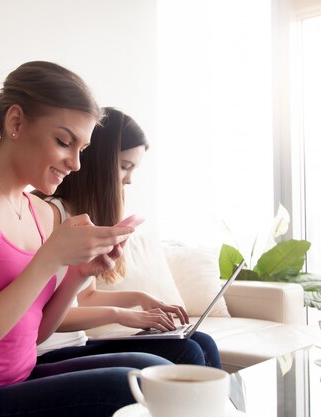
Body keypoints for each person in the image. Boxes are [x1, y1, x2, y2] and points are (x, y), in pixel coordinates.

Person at [0, 62, 171, 417]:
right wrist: (49, 258)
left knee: (152, 370)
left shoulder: (39, 212)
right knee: (124, 386)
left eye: (82, 148)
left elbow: (35, 335)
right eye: (64, 142)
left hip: (19, 380)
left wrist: (79, 275)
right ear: (16, 123)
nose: (76, 164)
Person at [35, 107, 222, 369]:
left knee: (201, 341)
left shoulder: (81, 216)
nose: (130, 179)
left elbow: (85, 297)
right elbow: (40, 317)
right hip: (48, 352)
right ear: (98, 164)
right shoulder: (49, 214)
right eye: (124, 167)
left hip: (75, 344)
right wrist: (123, 315)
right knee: (186, 352)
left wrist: (139, 299)